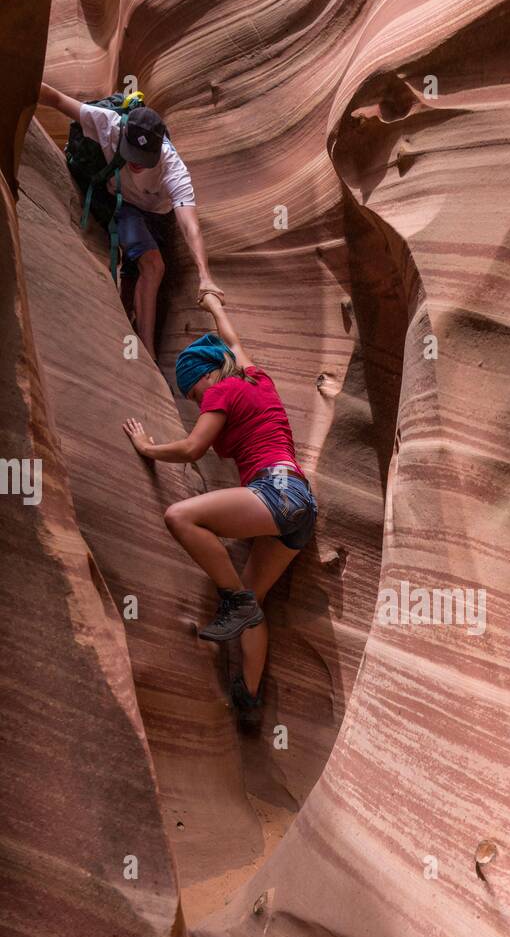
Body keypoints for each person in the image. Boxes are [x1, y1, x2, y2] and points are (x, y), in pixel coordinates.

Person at [123, 293, 317, 717]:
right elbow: (232, 340)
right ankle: (248, 698)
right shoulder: (254, 377)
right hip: (296, 503)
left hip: (276, 491)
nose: (197, 403)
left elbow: (193, 448)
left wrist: (147, 448)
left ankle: (232, 600)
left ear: (209, 375)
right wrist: (214, 304)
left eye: (195, 393)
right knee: (255, 598)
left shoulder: (223, 391)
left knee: (180, 516)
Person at [39, 82, 223, 359]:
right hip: (125, 205)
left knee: (144, 272)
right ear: (123, 131)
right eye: (131, 154)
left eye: (143, 159)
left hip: (159, 215)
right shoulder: (109, 123)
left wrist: (205, 275)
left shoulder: (172, 166)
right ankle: (147, 352)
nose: (136, 163)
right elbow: (55, 98)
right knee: (154, 266)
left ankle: (132, 317)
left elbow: (189, 224)